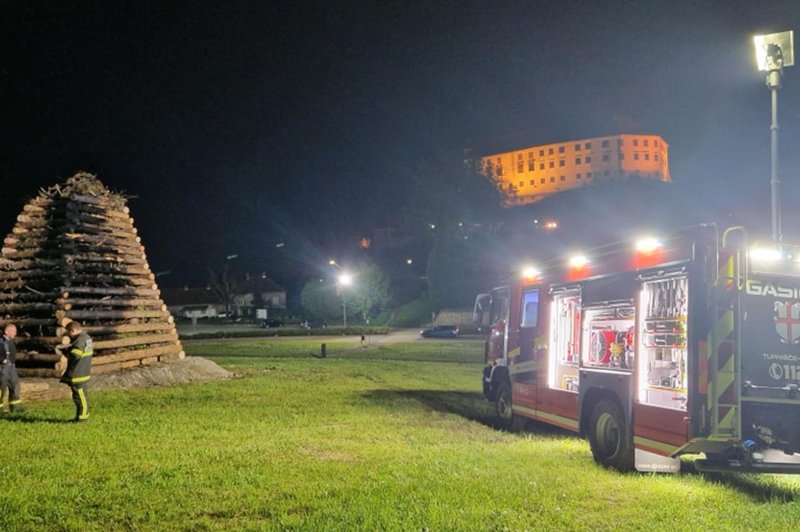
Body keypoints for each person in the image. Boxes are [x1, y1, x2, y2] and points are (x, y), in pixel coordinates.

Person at [58, 321, 93, 422]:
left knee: (80, 396)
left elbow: (76, 355)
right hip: (84, 371)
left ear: (73, 331)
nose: (68, 335)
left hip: (78, 373)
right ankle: (81, 415)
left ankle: (83, 417)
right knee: (81, 395)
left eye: (69, 333)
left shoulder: (80, 341)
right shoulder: (87, 337)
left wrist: (66, 351)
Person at [1, 323, 24, 413]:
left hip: (12, 368)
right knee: (1, 389)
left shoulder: (11, 342)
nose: (15, 333)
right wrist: (1, 359)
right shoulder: (1, 342)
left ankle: (16, 407)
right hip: (2, 369)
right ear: (7, 332)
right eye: (13, 331)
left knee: (15, 386)